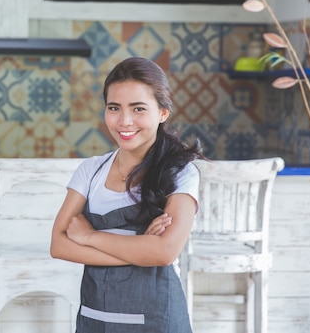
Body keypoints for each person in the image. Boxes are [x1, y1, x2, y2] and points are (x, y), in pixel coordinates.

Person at [51, 57, 201, 332]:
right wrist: (141, 249)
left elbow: (165, 251)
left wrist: (89, 237)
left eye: (138, 108)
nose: (125, 121)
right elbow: (58, 246)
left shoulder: (180, 172)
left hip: (158, 320)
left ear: (163, 112)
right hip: (95, 319)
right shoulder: (90, 171)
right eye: (114, 108)